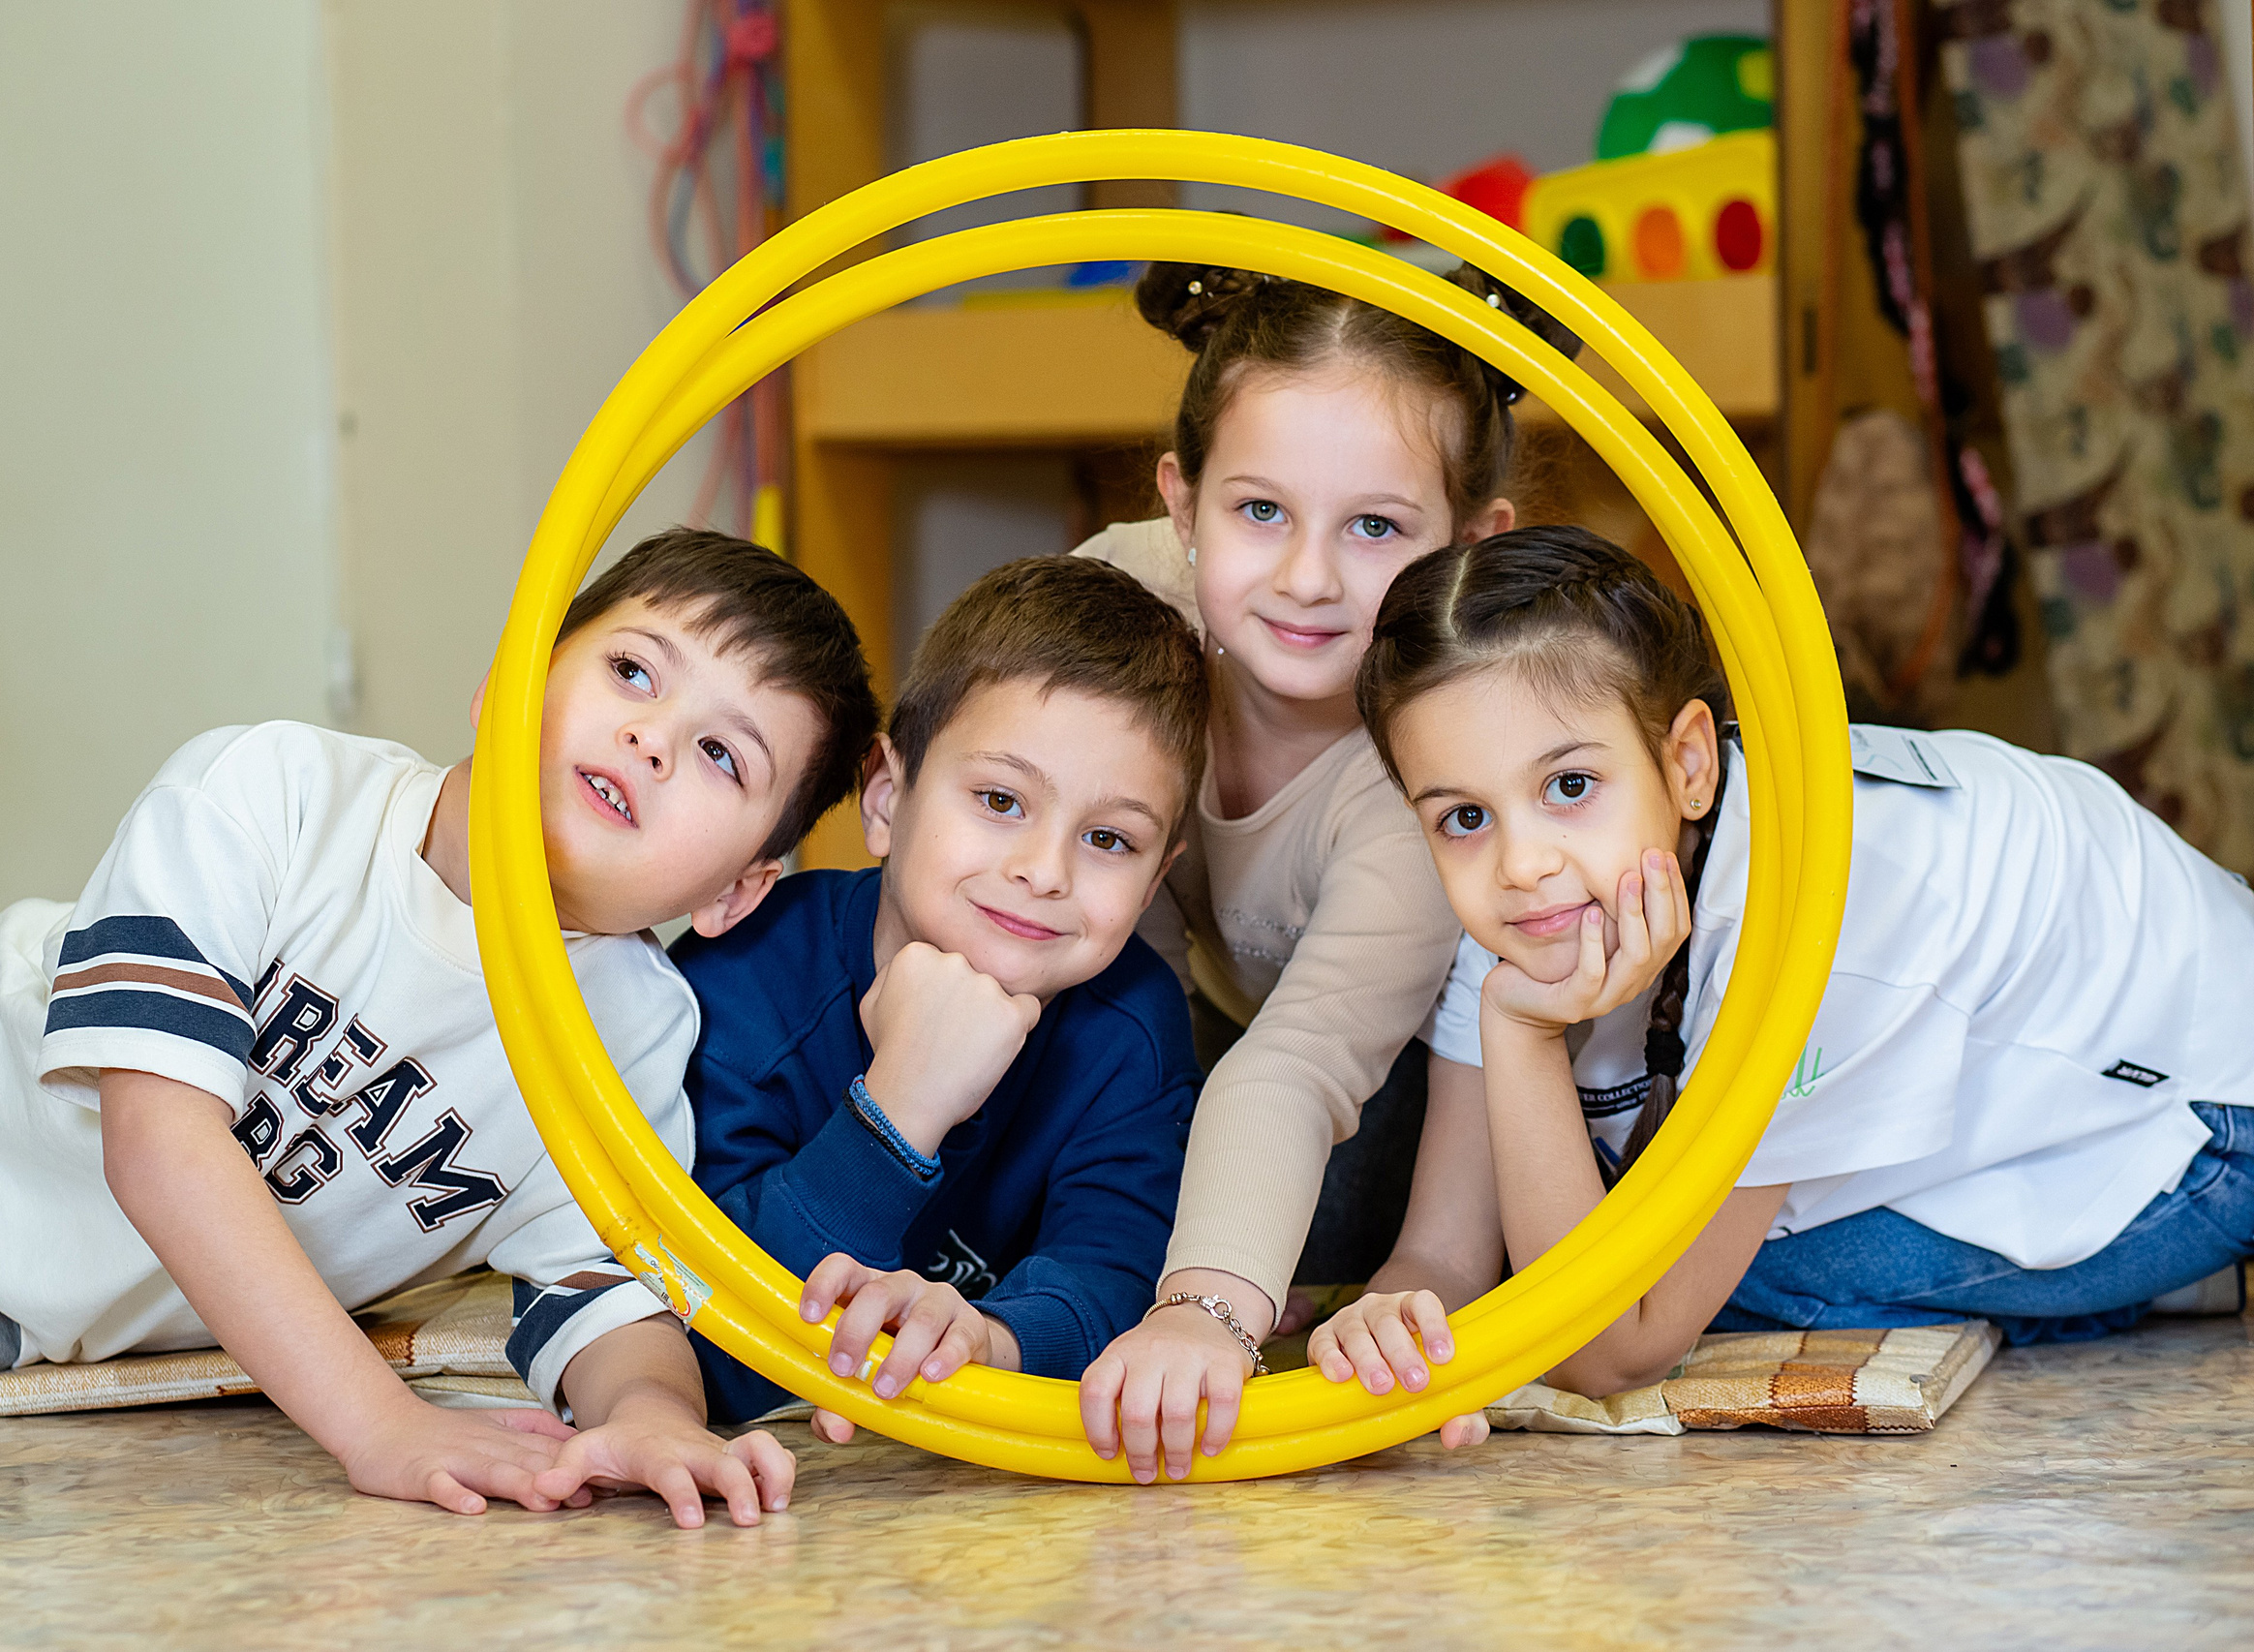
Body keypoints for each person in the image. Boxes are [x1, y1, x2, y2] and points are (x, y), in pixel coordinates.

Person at [0, 528, 881, 1528]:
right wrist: (378, 1420)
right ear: (507, 683)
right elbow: (158, 1139)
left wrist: (648, 1411)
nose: (650, 738)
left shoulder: (632, 1042)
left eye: (721, 754)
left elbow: (596, 1288)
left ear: (737, 889)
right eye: (632, 671)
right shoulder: (274, 792)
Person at [1311, 523, 2254, 1401]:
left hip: (2202, 1115)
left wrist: (1518, 1033)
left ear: (1687, 762)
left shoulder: (1817, 923)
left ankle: (2165, 1257)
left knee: (1730, 1279)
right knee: (1625, 1232)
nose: (1521, 861)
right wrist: (1395, 1309)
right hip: (2023, 1054)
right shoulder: (1543, 893)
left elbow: (1608, 1344)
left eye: (1569, 785)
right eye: (1462, 816)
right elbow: (1446, 1250)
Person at [1070, 260, 1580, 1480]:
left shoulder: (1421, 779)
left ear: (1469, 545)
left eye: (1374, 527)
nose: (1306, 577)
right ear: (1179, 507)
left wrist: (1206, 1312)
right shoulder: (1119, 603)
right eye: (1259, 511)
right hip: (1163, 1003)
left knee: (1302, 1204)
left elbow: (1296, 1066)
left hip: (1383, 1067)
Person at [672, 557, 1204, 1431]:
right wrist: (897, 1112)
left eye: (1110, 839)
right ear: (885, 796)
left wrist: (993, 1342)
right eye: (1000, 799)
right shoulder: (740, 978)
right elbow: (706, 1351)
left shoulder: (1131, 1026)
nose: (1044, 870)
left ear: (1154, 885)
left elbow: (1119, 1278)